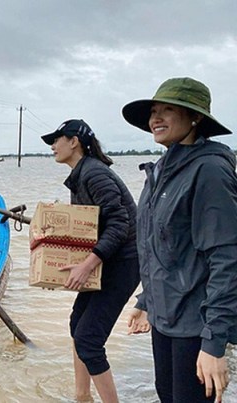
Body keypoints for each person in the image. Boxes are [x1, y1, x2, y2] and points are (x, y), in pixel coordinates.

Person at [124, 77, 237, 402]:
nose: (155, 118)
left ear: (195, 118)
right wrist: (146, 302)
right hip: (165, 319)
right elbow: (157, 247)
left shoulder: (210, 172)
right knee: (166, 394)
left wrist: (214, 343)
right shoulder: (160, 171)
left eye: (168, 110)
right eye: (153, 111)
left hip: (196, 325)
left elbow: (226, 258)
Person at [41, 119, 140, 403]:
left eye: (57, 139)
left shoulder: (94, 174)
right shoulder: (80, 174)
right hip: (108, 259)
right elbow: (86, 231)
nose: (52, 146)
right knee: (77, 325)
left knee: (89, 340)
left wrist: (87, 265)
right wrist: (54, 270)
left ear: (74, 142)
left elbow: (120, 225)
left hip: (124, 263)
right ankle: (82, 396)